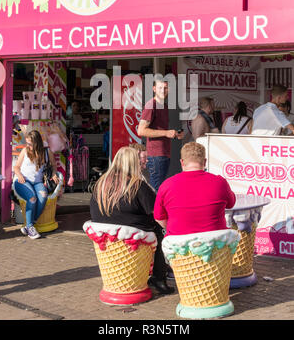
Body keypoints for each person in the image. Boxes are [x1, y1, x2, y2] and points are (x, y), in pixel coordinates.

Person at [90, 146, 174, 294]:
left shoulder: (101, 183)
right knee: (161, 233)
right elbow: (157, 212)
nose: (145, 163)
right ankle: (159, 278)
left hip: (103, 234)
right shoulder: (137, 185)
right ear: (132, 163)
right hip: (133, 234)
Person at [154, 142, 236, 236]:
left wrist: (177, 229)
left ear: (182, 162)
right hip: (215, 246)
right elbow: (231, 203)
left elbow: (159, 218)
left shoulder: (166, 185)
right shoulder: (220, 182)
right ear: (204, 162)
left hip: (178, 246)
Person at [137, 79, 184, 192]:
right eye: (160, 88)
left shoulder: (163, 106)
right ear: (154, 89)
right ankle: (154, 210)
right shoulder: (151, 105)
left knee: (159, 189)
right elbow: (141, 131)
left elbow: (159, 129)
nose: (163, 90)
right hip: (156, 154)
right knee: (156, 190)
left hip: (163, 153)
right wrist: (166, 133)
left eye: (165, 88)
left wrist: (174, 134)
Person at [13, 130, 59, 240]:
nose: (28, 145)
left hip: (37, 182)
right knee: (32, 198)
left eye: (30, 143)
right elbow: (16, 167)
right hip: (22, 181)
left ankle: (30, 225)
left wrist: (53, 174)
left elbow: (53, 165)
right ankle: (29, 227)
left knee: (43, 197)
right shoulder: (25, 151)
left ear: (37, 142)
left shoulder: (47, 152)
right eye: (27, 143)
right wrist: (19, 175)